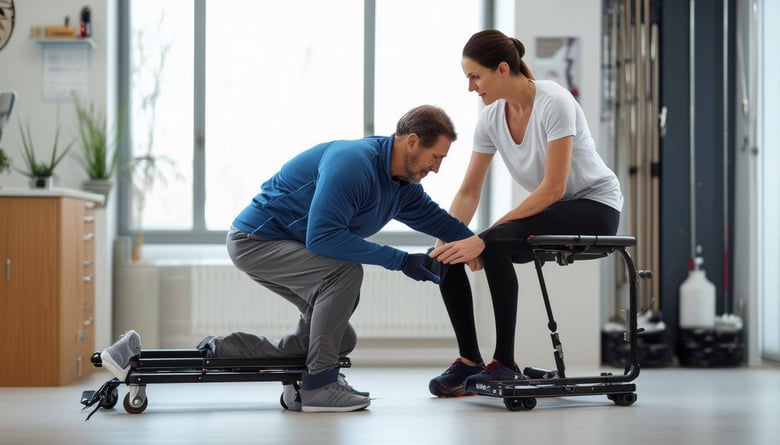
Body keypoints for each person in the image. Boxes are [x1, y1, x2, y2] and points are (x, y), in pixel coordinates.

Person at [101, 104, 474, 412]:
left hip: (287, 245)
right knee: (345, 274)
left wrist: (478, 243)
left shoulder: (403, 186)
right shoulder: (355, 164)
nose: (437, 167)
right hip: (256, 240)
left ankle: (213, 352)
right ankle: (318, 386)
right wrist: (400, 260)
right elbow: (324, 236)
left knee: (335, 338)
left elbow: (438, 219)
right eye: (435, 156)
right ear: (412, 142)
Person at [426, 30, 624, 397]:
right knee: (448, 253)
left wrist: (481, 238)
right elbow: (469, 191)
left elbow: (553, 189)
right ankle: (469, 361)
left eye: (475, 76)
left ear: (502, 69)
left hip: (596, 206)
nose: (471, 87)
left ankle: (504, 363)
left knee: (493, 240)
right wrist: (445, 240)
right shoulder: (489, 119)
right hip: (555, 208)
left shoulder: (554, 102)